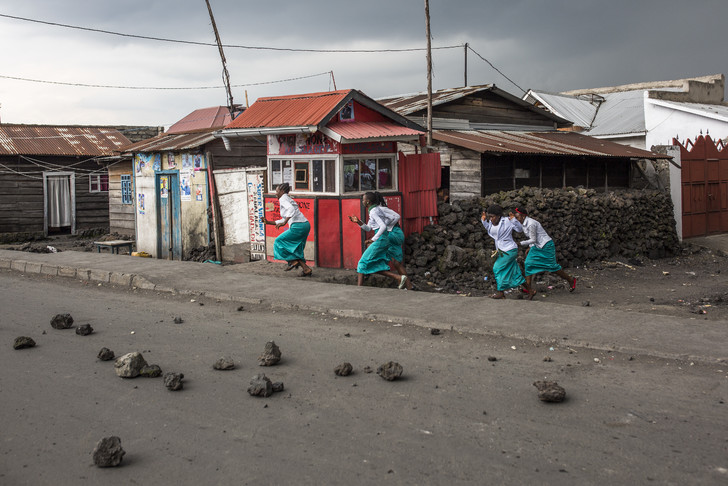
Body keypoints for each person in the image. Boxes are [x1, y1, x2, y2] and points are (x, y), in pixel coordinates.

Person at [349, 192, 413, 290]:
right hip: (386, 237)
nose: (362, 201)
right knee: (392, 262)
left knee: (363, 263)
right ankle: (406, 283)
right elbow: (368, 228)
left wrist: (374, 238)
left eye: (363, 199)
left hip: (388, 236)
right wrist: (358, 221)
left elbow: (389, 222)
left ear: (368, 201)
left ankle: (359, 289)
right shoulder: (375, 210)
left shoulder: (376, 211)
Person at [511, 207, 576, 299]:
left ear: (523, 216)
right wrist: (530, 247)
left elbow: (533, 239)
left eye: (517, 217)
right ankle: (529, 289)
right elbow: (532, 238)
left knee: (552, 267)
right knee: (528, 264)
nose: (517, 220)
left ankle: (570, 280)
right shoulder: (523, 224)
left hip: (546, 246)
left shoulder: (531, 224)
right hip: (537, 246)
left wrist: (520, 243)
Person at [263, 183, 312, 277]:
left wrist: (285, 222)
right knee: (296, 249)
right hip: (305, 225)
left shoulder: (283, 198)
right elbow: (285, 217)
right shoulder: (288, 198)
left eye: (277, 191)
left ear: (282, 191)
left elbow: (291, 210)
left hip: (298, 226)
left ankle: (293, 261)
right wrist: (269, 222)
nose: (275, 193)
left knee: (278, 242)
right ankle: (306, 269)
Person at [481, 204, 526, 299]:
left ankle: (500, 292)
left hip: (510, 249)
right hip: (501, 250)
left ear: (498, 216)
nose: (491, 219)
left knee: (497, 268)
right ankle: (530, 290)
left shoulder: (507, 221)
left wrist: (514, 220)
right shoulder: (491, 223)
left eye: (492, 217)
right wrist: (484, 220)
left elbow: (519, 229)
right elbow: (489, 230)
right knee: (515, 272)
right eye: (490, 217)